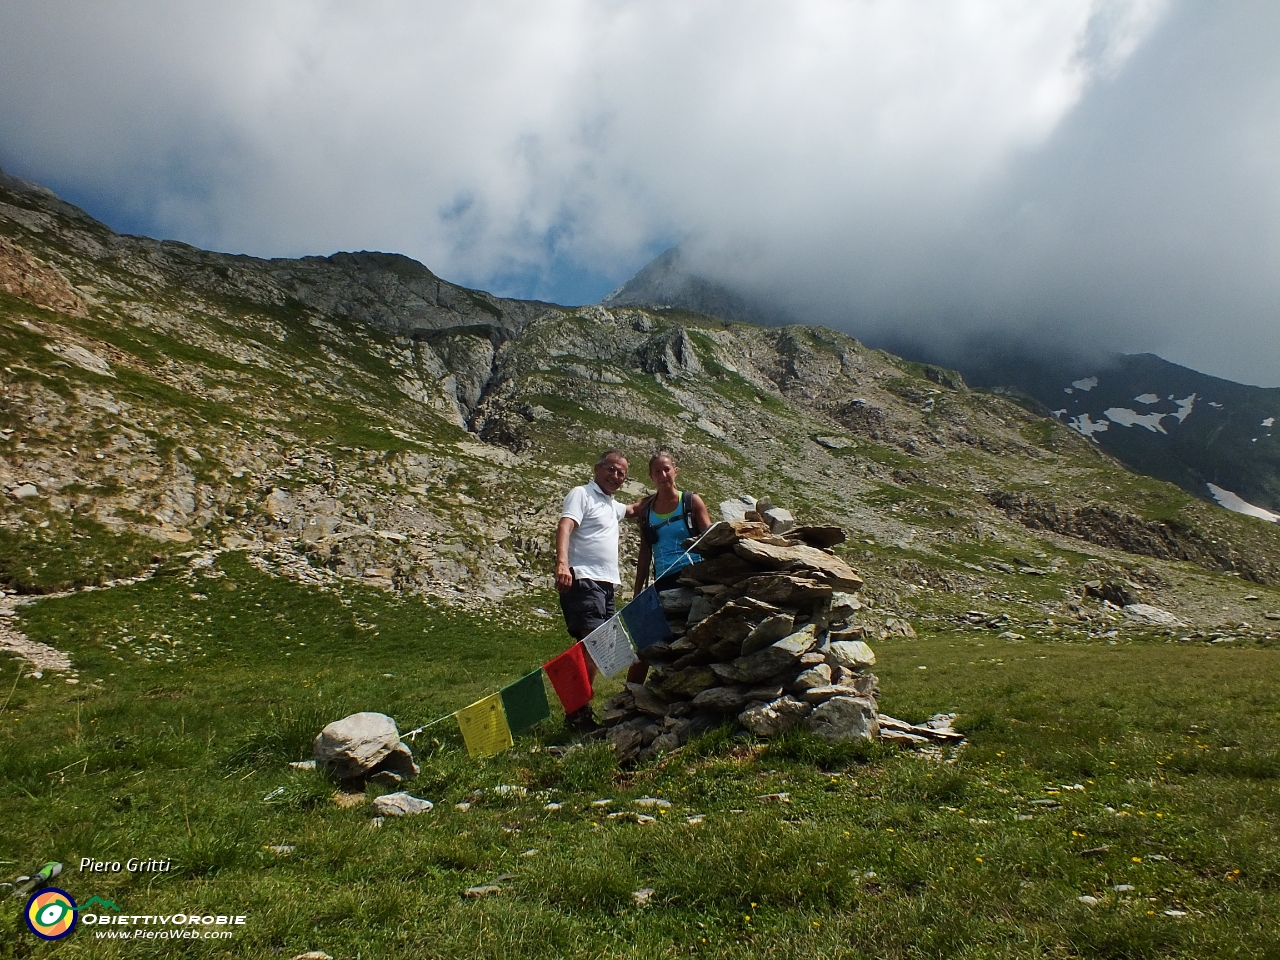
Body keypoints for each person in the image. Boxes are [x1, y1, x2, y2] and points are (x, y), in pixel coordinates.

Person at [555, 449, 634, 731]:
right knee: (593, 646)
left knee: (595, 649)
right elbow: (565, 526)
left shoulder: (612, 505)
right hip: (584, 579)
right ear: (597, 469)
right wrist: (563, 564)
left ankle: (578, 710)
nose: (615, 476)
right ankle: (576, 714)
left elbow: (634, 509)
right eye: (611, 469)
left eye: (621, 473)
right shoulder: (582, 494)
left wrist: (668, 491)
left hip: (606, 585)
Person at [628, 451, 713, 684]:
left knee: (692, 637)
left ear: (675, 471)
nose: (663, 475)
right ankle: (630, 695)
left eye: (667, 469)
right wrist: (638, 593)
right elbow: (645, 553)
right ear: (650, 476)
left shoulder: (691, 501)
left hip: (693, 577)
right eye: (658, 471)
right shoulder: (646, 511)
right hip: (663, 580)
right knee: (646, 640)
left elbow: (710, 538)